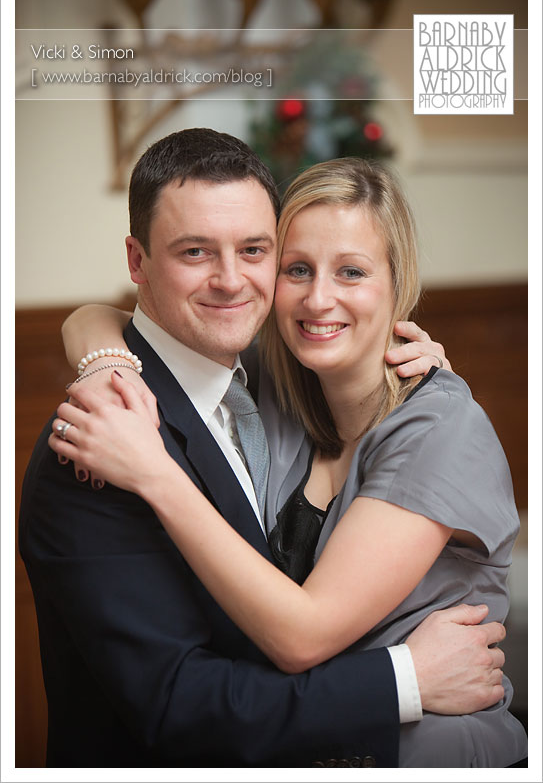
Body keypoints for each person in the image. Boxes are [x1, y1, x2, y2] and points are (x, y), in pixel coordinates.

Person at [21, 129, 508, 768]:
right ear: (137, 263)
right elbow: (175, 704)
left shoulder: (285, 393)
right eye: (195, 251)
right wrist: (100, 352)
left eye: (254, 250)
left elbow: (300, 631)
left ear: (399, 282)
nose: (231, 280)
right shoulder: (116, 437)